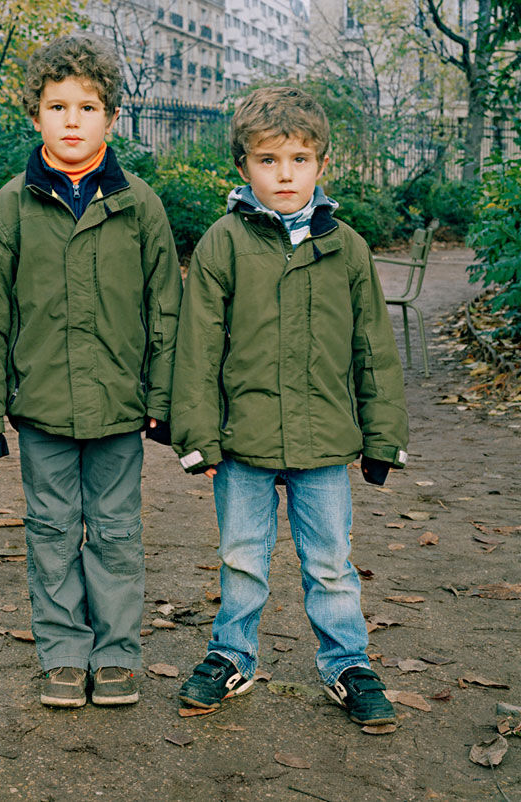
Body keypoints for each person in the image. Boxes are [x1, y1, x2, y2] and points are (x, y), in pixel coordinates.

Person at [0, 35, 181, 708]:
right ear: (36, 116)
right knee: (51, 532)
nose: (72, 120)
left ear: (112, 117)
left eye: (88, 107)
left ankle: (114, 655)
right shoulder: (11, 206)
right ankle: (63, 653)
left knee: (115, 532)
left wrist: (164, 397)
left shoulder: (139, 205)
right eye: (57, 107)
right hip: (43, 405)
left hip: (118, 405)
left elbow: (166, 309)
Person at [171, 86, 408, 726]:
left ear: (321, 164)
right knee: (242, 558)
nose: (284, 174)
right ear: (243, 166)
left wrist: (383, 437)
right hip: (242, 440)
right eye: (268, 160)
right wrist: (198, 435)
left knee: (330, 563)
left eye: (299, 159)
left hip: (324, 440)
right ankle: (231, 655)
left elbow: (373, 348)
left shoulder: (346, 246)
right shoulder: (223, 242)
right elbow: (197, 349)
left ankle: (347, 663)